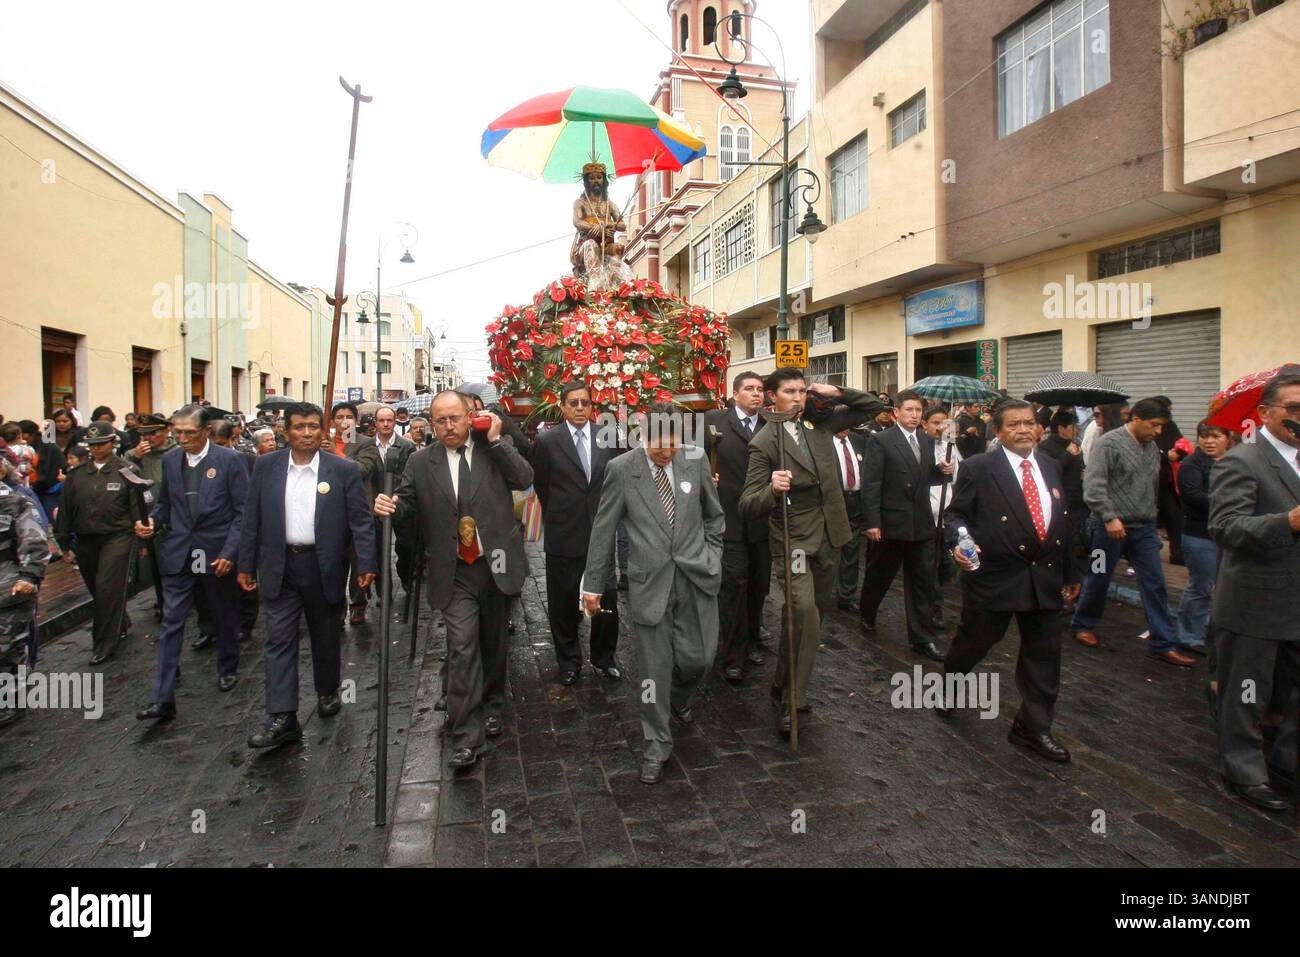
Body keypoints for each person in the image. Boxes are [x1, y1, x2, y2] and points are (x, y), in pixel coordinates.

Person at [375, 391, 532, 769]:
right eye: (440, 420)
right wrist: (391, 505)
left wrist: (496, 439)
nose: (448, 426)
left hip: (496, 563)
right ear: (432, 424)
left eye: (455, 418)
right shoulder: (420, 462)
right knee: (462, 646)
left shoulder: (493, 449)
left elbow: (524, 478)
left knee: (493, 642)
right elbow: (407, 504)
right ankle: (465, 733)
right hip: (455, 569)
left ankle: (493, 705)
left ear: (469, 417)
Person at [739, 368, 887, 737]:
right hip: (794, 541)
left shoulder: (820, 424)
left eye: (802, 391)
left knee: (808, 618)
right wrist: (772, 489)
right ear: (772, 397)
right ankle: (793, 699)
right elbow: (748, 504)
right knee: (803, 612)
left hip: (831, 535)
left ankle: (781, 682)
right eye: (790, 391)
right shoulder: (764, 442)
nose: (798, 397)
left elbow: (873, 407)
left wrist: (835, 390)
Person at [582, 403, 723, 784]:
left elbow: (714, 515)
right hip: (649, 583)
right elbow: (603, 530)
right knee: (653, 671)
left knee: (700, 659)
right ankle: (656, 744)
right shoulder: (621, 469)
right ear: (642, 433)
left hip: (696, 577)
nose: (666, 450)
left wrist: (713, 555)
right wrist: (593, 585)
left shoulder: (695, 459)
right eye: (659, 442)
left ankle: (678, 698)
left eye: (673, 442)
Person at [941, 400, 1081, 762]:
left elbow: (1064, 520)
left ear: (1039, 429)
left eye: (1029, 423)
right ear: (999, 432)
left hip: (1043, 575)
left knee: (1044, 656)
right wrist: (960, 544)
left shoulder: (1051, 465)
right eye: (1014, 424)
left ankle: (1032, 728)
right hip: (995, 577)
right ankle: (949, 685)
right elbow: (955, 516)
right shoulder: (979, 468)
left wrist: (1071, 572)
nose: (1023, 430)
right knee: (975, 642)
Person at [237, 403, 377, 749]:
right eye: (299, 427)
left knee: (325, 632)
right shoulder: (266, 466)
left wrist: (365, 564)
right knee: (278, 638)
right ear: (286, 431)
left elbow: (360, 521)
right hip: (279, 565)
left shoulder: (342, 470)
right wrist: (245, 564)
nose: (307, 433)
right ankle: (282, 716)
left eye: (314, 426)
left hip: (323, 565)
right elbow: (251, 518)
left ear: (322, 430)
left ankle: (328, 690)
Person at [1209, 373, 1300, 813]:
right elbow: (1226, 527)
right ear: (1264, 413)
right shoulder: (1241, 461)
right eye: (1294, 409)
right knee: (1247, 693)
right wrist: (1288, 522)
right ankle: (1243, 771)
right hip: (1255, 602)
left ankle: (1287, 764)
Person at [134, 406, 249, 721]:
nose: (182, 439)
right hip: (180, 551)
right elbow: (165, 504)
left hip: (216, 552)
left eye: (189, 433)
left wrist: (230, 552)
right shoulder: (171, 460)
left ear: (206, 431)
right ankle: (162, 696)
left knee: (223, 612)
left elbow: (243, 512)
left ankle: (228, 666)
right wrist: (153, 523)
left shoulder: (231, 461)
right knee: (171, 621)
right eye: (177, 433)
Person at [1069, 398, 1193, 666]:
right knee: (1098, 577)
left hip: (1144, 529)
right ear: (1136, 419)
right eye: (1154, 425)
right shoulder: (1108, 444)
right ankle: (1082, 624)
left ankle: (1162, 642)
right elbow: (1093, 486)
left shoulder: (1152, 447)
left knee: (1155, 583)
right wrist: (1109, 517)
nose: (1158, 431)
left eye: (1161, 426)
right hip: (1107, 529)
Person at [532, 382, 623, 685]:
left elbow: (615, 478)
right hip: (563, 532)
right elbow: (542, 485)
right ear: (563, 407)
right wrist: (559, 514)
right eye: (574, 403)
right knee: (563, 600)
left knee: (607, 596)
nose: (580, 408)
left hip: (600, 531)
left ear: (592, 406)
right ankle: (569, 662)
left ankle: (605, 658)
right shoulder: (547, 441)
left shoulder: (607, 435)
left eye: (585, 402)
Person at [858, 389, 953, 662]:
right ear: (896, 412)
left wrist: (942, 471)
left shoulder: (925, 440)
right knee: (880, 575)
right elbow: (872, 483)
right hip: (891, 523)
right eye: (909, 410)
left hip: (921, 523)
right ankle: (867, 612)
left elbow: (925, 477)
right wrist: (872, 522)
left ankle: (922, 638)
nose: (914, 415)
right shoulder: (881, 441)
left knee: (922, 582)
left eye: (918, 410)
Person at [53, 421, 141, 665]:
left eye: (101, 444)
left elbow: (139, 507)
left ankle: (104, 643)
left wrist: (142, 533)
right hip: (86, 539)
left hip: (118, 536)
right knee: (96, 587)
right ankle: (120, 621)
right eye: (92, 445)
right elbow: (65, 511)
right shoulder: (76, 476)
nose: (96, 449)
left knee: (107, 587)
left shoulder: (128, 470)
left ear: (112, 443)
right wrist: (64, 544)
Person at [703, 371, 771, 684]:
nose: (756, 393)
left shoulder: (771, 425)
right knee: (732, 586)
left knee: (758, 585)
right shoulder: (713, 421)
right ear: (735, 394)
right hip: (728, 519)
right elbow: (694, 457)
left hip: (761, 521)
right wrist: (706, 478)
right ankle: (732, 654)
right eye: (749, 388)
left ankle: (753, 640)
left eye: (760, 389)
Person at [1174, 422, 1229, 657]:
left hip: (1228, 535)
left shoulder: (1235, 462)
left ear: (1228, 438)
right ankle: (1189, 637)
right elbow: (1193, 496)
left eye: (1216, 436)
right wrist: (1232, 501)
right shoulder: (1191, 464)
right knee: (1200, 586)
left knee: (1222, 588)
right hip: (1199, 535)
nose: (1209, 441)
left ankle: (1208, 631)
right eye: (1204, 436)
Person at [0, 482, 49, 727]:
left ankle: (12, 701)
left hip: (9, 589)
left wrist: (29, 576)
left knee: (8, 649)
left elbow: (35, 539)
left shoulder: (15, 502)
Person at [921, 404, 962, 629]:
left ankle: (933, 596)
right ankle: (933, 608)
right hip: (927, 514)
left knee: (948, 564)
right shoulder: (919, 446)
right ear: (924, 424)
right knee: (932, 563)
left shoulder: (950, 447)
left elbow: (958, 477)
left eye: (944, 423)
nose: (940, 427)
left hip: (947, 513)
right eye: (935, 423)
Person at [832, 426, 868, 612]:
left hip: (856, 502)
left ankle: (846, 595)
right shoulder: (823, 441)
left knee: (852, 549)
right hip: (833, 503)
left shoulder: (859, 440)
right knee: (830, 550)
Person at [1151, 396, 1187, 565]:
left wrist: (1177, 453)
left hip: (1167, 481)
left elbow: (1181, 446)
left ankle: (1177, 553)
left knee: (1174, 517)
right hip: (1151, 482)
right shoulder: (1146, 428)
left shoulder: (1170, 426)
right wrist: (1165, 456)